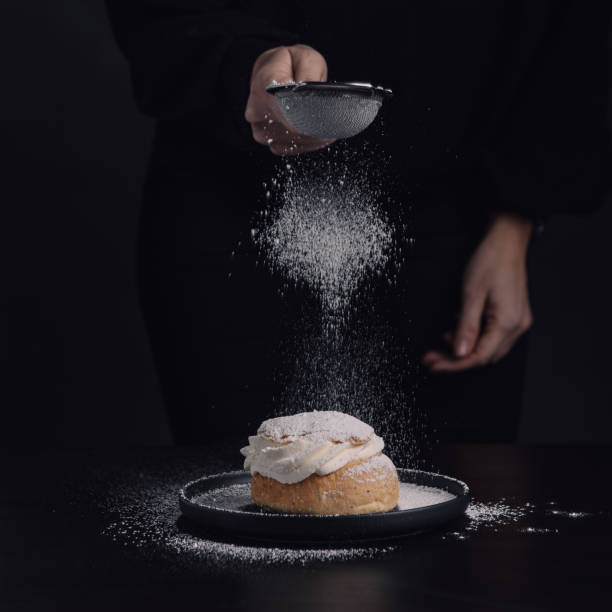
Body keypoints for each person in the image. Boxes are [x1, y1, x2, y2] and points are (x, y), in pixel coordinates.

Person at [106, 2, 612, 444]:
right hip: (232, 213)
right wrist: (245, 63)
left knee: (452, 515)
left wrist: (517, 220)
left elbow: (580, 31)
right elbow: (163, 12)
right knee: (246, 502)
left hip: (458, 225)